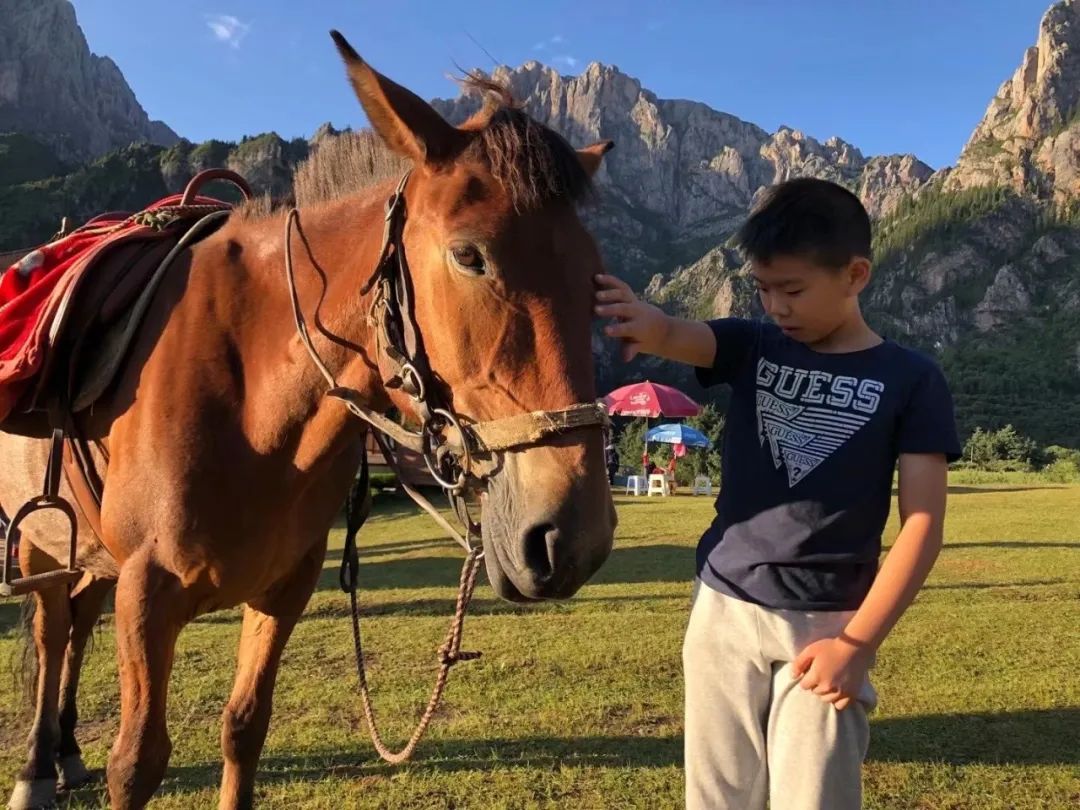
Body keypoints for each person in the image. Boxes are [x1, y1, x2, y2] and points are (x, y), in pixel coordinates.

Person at [593, 177, 961, 810]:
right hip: (722, 609)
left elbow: (923, 525)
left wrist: (857, 645)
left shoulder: (912, 379)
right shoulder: (753, 346)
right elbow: (675, 333)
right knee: (717, 796)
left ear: (855, 275)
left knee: (813, 797)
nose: (776, 308)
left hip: (827, 621)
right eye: (763, 289)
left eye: (792, 290)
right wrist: (641, 319)